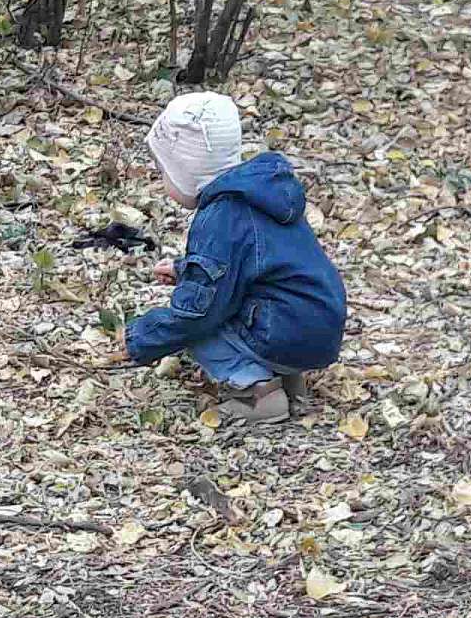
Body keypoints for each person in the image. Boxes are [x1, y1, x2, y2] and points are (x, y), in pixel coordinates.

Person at [116, 92, 347, 423]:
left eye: (165, 171)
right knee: (248, 301)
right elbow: (258, 261)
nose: (163, 180)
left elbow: (198, 312)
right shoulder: (264, 193)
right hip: (319, 328)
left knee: (201, 329)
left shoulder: (220, 217)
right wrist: (186, 270)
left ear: (186, 169)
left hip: (282, 334)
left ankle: (258, 396)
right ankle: (289, 380)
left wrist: (140, 339)